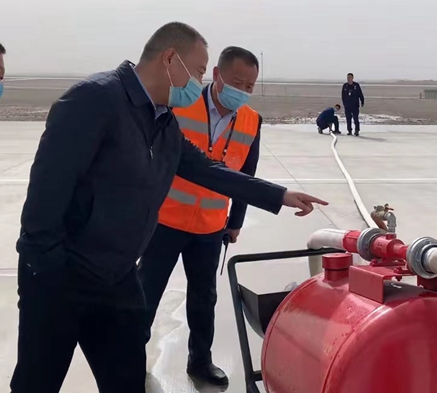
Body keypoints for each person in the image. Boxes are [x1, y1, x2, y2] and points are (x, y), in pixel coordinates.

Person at [10, 22, 327, 393]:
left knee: (126, 381)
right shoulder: (94, 100)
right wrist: (49, 271)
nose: (199, 82)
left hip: (116, 277)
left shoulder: (161, 120)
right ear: (170, 59)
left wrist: (279, 195)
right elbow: (45, 197)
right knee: (37, 383)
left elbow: (206, 169)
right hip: (61, 277)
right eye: (198, 72)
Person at [137, 46, 264, 386]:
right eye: (237, 82)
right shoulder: (179, 105)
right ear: (217, 75)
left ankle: (201, 361)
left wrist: (235, 222)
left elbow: (246, 176)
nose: (242, 91)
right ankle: (130, 357)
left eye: (249, 86)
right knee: (146, 293)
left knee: (204, 298)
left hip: (210, 226)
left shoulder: (251, 120)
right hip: (164, 220)